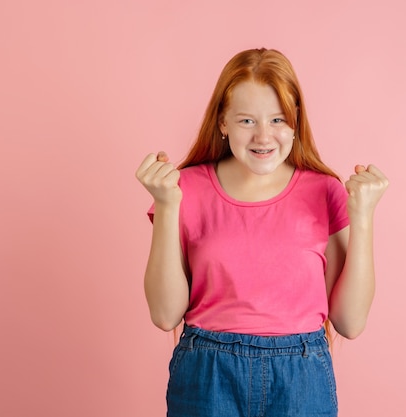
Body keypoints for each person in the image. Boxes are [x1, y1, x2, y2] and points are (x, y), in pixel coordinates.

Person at [135, 48, 388, 417]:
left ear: (296, 120)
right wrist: (168, 205)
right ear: (223, 122)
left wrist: (362, 217)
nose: (264, 136)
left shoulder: (324, 191)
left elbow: (350, 322)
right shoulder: (183, 189)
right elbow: (164, 314)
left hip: (301, 378)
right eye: (247, 121)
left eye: (278, 119)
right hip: (208, 376)